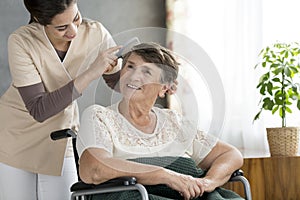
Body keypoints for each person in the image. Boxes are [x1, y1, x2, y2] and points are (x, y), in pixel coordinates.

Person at [76, 42, 244, 200]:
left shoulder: (174, 122)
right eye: (130, 67)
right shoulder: (99, 116)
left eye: (146, 72)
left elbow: (230, 154)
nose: (133, 76)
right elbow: (94, 169)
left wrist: (209, 182)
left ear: (164, 87)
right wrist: (165, 175)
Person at [0, 0, 123, 199]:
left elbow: (117, 82)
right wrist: (91, 73)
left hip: (60, 135)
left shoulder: (95, 33)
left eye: (76, 18)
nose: (73, 31)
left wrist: (154, 78)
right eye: (61, 27)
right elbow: (39, 109)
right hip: (16, 137)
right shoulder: (22, 41)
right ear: (40, 20)